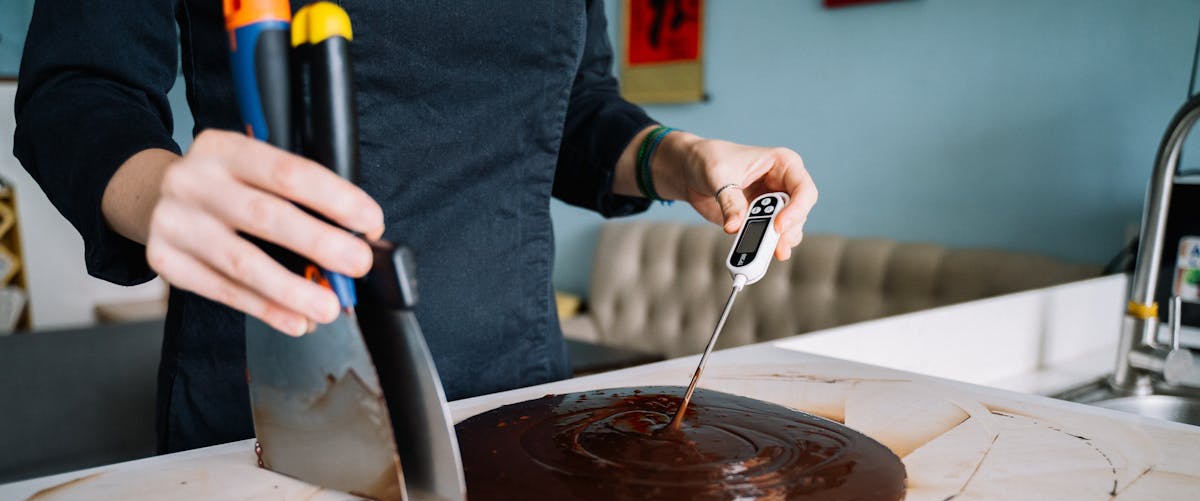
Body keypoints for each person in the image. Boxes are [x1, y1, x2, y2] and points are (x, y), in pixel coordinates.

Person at [14, 1, 817, 454]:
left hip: (519, 383)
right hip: (287, 385)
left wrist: (674, 159)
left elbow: (573, 115)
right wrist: (158, 191)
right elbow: (76, 90)